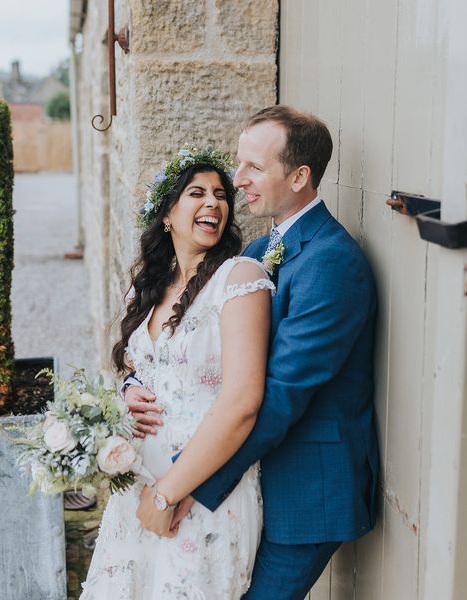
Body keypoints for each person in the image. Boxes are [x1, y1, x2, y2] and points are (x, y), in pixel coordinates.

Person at [128, 106, 380, 599]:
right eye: (239, 164)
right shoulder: (260, 248)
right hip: (250, 481)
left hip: (304, 493)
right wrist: (135, 386)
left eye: (254, 168)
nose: (238, 179)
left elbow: (277, 396)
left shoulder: (332, 263)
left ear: (300, 176)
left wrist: (179, 486)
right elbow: (194, 345)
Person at [80, 147, 276, 600]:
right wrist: (128, 389)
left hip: (200, 491)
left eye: (221, 195)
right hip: (138, 485)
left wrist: (169, 494)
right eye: (197, 193)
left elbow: (244, 403)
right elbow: (137, 365)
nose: (214, 203)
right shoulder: (148, 285)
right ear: (168, 213)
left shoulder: (239, 277)